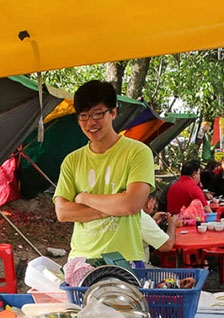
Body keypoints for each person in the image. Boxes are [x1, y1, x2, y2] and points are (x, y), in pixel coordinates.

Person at [53, 80, 154, 266]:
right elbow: (62, 212)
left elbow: (131, 204)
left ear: (113, 112)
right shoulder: (72, 161)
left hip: (125, 259)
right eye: (84, 116)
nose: (90, 122)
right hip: (81, 261)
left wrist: (83, 198)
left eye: (97, 114)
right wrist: (113, 207)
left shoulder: (138, 153)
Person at [140, 191, 178, 264]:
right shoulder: (142, 217)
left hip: (120, 267)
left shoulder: (122, 212)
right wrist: (172, 224)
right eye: (154, 204)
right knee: (173, 275)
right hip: (138, 268)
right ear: (150, 202)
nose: (154, 207)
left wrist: (152, 221)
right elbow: (167, 245)